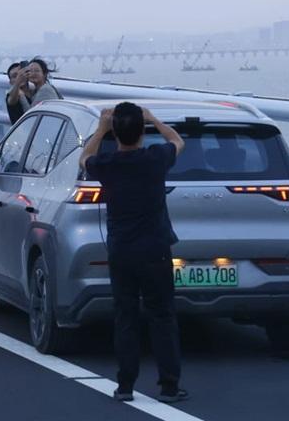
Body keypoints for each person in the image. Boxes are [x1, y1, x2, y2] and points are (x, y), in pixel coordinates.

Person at [80, 102, 188, 404]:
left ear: (115, 133)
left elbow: (85, 157)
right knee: (162, 316)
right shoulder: (155, 159)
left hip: (121, 250)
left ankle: (125, 385)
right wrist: (153, 118)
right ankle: (169, 386)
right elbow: (177, 141)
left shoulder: (108, 165)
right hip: (155, 248)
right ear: (142, 131)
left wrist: (101, 129)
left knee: (125, 316)